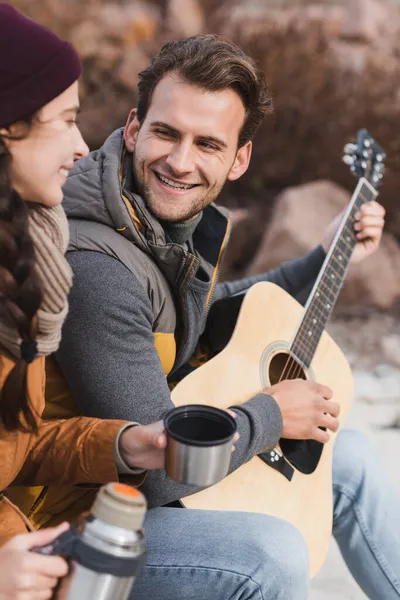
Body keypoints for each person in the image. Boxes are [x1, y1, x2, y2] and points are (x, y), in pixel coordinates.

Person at [18, 35, 399, 600]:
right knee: (269, 555)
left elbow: (204, 317)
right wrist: (268, 415)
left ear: (239, 158)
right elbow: (162, 472)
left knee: (354, 458)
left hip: (132, 485)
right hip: (76, 522)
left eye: (208, 144)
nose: (180, 161)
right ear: (133, 127)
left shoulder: (149, 218)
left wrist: (321, 261)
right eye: (167, 132)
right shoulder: (96, 264)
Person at [0, 6, 178, 599]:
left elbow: (17, 445)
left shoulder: (25, 261)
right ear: (7, 129)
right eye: (66, 121)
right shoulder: (81, 261)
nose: (83, 147)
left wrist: (125, 443)